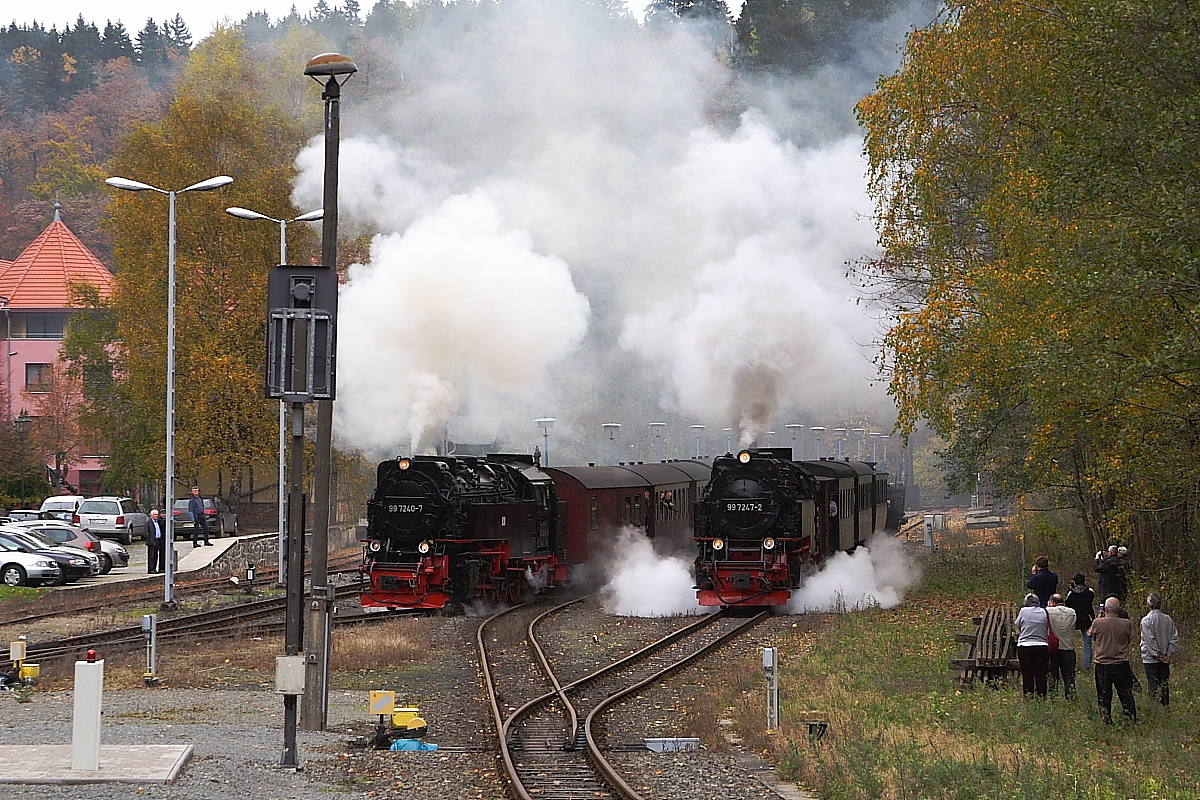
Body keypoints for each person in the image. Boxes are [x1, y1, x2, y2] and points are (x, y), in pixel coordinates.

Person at [1088, 596, 1137, 724]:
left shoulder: (1098, 623)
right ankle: (1131, 719)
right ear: (1119, 609)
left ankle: (1106, 720)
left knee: (1103, 696)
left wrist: (1099, 617)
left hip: (1103, 664)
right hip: (1121, 664)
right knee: (1126, 694)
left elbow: (1090, 634)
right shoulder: (1126, 623)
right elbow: (1128, 638)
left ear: (1105, 608)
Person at [1140, 592, 1179, 706]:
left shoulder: (1146, 620)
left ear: (1149, 605)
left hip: (1150, 659)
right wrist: (1168, 654)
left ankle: (1155, 711)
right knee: (1164, 685)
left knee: (1153, 686)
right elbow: (1174, 637)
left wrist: (1158, 655)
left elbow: (1149, 641)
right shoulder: (1168, 619)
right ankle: (1165, 708)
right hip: (1165, 658)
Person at [1014, 593, 1051, 699]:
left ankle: (1028, 695)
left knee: (1027, 673)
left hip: (1025, 645)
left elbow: (1017, 624)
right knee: (1041, 673)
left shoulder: (1023, 611)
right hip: (1042, 645)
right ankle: (1041, 695)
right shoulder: (1044, 611)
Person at [1046, 593, 1077, 699]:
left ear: (1052, 602)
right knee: (1069, 676)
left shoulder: (1048, 612)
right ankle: (1071, 697)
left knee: (1052, 676)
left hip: (1054, 649)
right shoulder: (1072, 612)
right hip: (1068, 648)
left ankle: (1053, 697)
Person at [1065, 573, 1096, 670]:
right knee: (1087, 644)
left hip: (1073, 618)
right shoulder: (1089, 592)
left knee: (1068, 642)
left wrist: (1071, 588)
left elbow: (1067, 603)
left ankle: (1070, 664)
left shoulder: (1071, 593)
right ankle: (1086, 665)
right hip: (1086, 618)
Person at [144, 509, 165, 573]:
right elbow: (146, 532)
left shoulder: (157, 521)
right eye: (154, 514)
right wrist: (149, 540)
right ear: (151, 515)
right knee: (152, 555)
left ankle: (159, 568)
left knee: (157, 555)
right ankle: (151, 569)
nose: (156, 516)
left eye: (157, 514)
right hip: (152, 540)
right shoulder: (148, 522)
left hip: (158, 540)